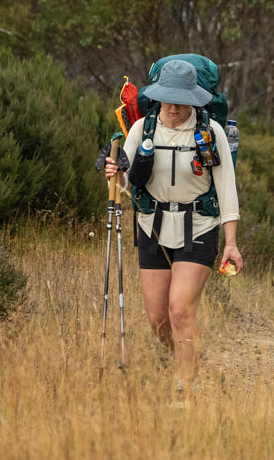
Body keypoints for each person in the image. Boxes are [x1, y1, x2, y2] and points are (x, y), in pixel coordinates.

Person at [103, 58, 243, 386]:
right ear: (158, 94)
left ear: (194, 98)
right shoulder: (142, 129)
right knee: (158, 320)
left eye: (182, 100)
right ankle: (188, 355)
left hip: (199, 226)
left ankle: (185, 389)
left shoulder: (211, 132)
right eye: (168, 98)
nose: (173, 106)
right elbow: (127, 182)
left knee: (180, 310)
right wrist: (115, 173)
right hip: (152, 225)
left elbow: (226, 189)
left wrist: (232, 243)